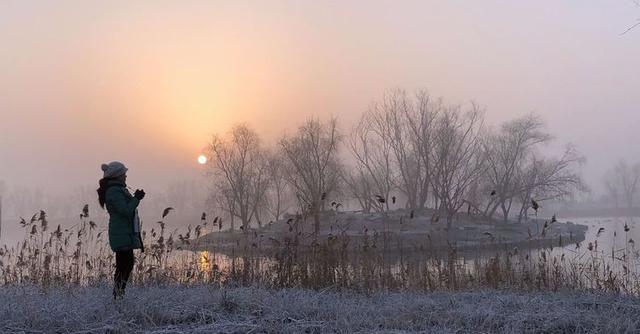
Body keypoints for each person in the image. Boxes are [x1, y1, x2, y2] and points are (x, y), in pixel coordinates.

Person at [97, 161, 145, 299]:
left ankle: (119, 296)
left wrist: (135, 198)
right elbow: (125, 210)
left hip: (123, 232)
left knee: (126, 265)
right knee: (124, 266)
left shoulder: (118, 189)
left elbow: (126, 208)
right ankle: (117, 296)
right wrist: (136, 198)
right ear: (117, 175)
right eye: (124, 173)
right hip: (120, 233)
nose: (125, 176)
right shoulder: (114, 191)